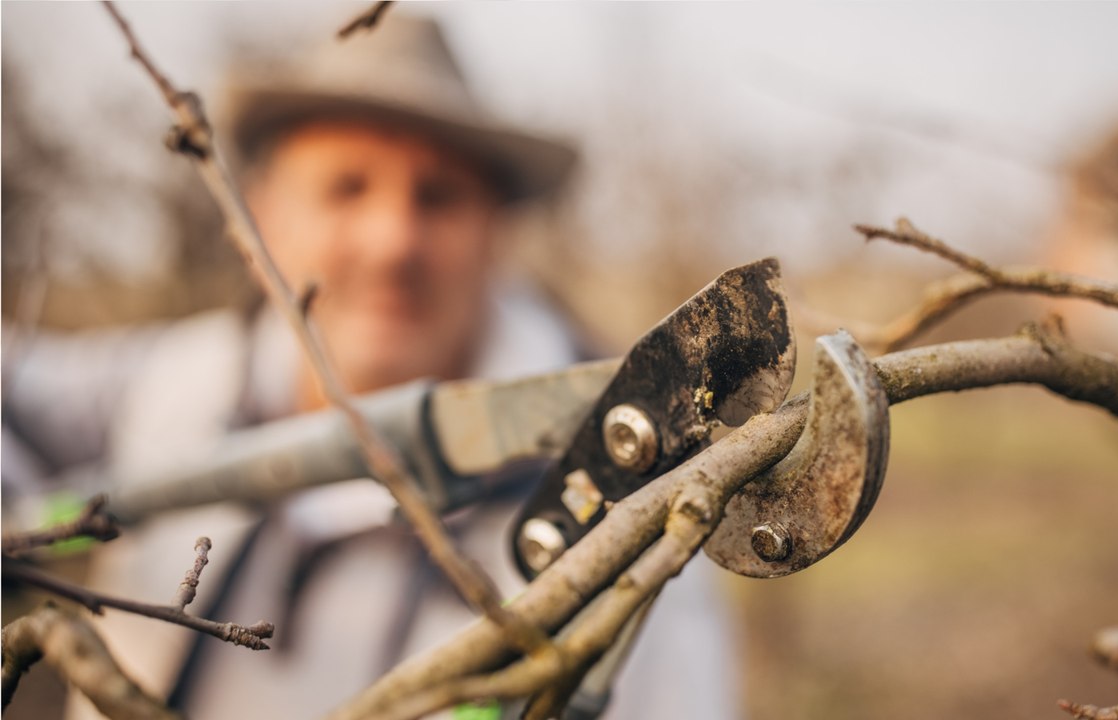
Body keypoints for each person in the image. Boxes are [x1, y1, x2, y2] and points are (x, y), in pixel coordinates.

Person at [2, 13, 738, 720]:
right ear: (265, 217)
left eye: (437, 197)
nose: (392, 242)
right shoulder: (175, 382)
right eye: (346, 187)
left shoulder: (623, 514)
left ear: (495, 231)